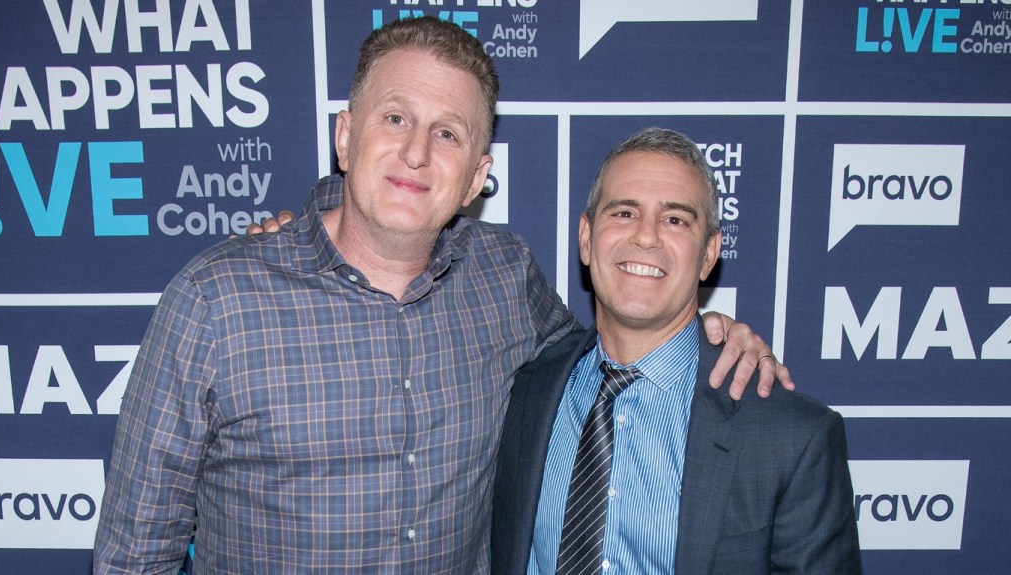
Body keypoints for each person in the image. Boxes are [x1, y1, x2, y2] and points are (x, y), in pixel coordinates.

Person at [93, 17, 789, 575]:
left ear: (477, 175)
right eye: (395, 118)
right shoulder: (215, 302)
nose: (417, 152)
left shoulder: (505, 276)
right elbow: (134, 558)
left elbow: (606, 358)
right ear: (345, 134)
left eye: (448, 133)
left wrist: (704, 330)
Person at [491, 128, 861, 574]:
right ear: (586, 238)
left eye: (675, 220)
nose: (646, 237)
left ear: (708, 253)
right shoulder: (525, 388)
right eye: (624, 212)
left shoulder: (793, 437)